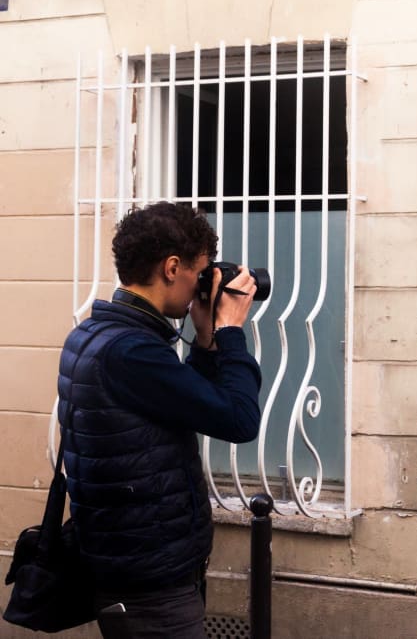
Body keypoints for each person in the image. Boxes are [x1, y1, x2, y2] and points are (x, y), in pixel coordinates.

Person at [56, 202, 262, 638]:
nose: (202, 287)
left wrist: (204, 341)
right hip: (151, 587)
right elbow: (240, 421)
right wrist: (230, 332)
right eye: (200, 274)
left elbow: (186, 404)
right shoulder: (132, 352)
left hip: (135, 571)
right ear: (172, 267)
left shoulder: (96, 335)